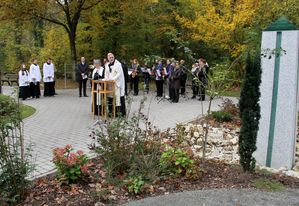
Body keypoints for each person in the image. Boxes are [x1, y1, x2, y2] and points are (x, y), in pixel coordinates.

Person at [105, 53, 126, 117]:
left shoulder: (118, 64)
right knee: (110, 97)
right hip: (110, 84)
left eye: (112, 57)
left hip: (117, 83)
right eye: (110, 57)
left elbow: (119, 73)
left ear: (114, 57)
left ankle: (119, 113)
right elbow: (106, 73)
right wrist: (106, 78)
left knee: (118, 98)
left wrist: (113, 79)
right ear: (108, 58)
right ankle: (111, 113)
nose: (111, 58)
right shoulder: (107, 65)